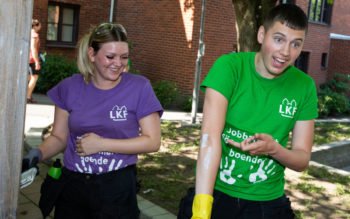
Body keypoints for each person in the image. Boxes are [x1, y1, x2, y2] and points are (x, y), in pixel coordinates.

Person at [178, 4, 318, 219]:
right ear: (262, 34)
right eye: (279, 39)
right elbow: (209, 139)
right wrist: (202, 210)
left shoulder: (305, 86)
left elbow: (301, 160)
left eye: (295, 44)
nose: (285, 52)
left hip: (266, 203)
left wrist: (274, 149)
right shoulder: (230, 67)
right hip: (217, 193)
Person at [22, 22, 163, 218]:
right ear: (92, 54)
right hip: (73, 187)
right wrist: (37, 154)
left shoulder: (139, 87)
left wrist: (102, 144)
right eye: (110, 56)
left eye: (124, 57)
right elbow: (59, 137)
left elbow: (152, 141)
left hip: (117, 188)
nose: (118, 63)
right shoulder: (69, 88)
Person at [27, 19, 42, 103]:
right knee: (34, 77)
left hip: (27, 59)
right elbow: (33, 48)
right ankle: (28, 97)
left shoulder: (28, 33)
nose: (40, 27)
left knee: (29, 78)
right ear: (36, 26)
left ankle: (27, 95)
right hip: (32, 59)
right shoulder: (34, 35)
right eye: (40, 25)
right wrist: (37, 61)